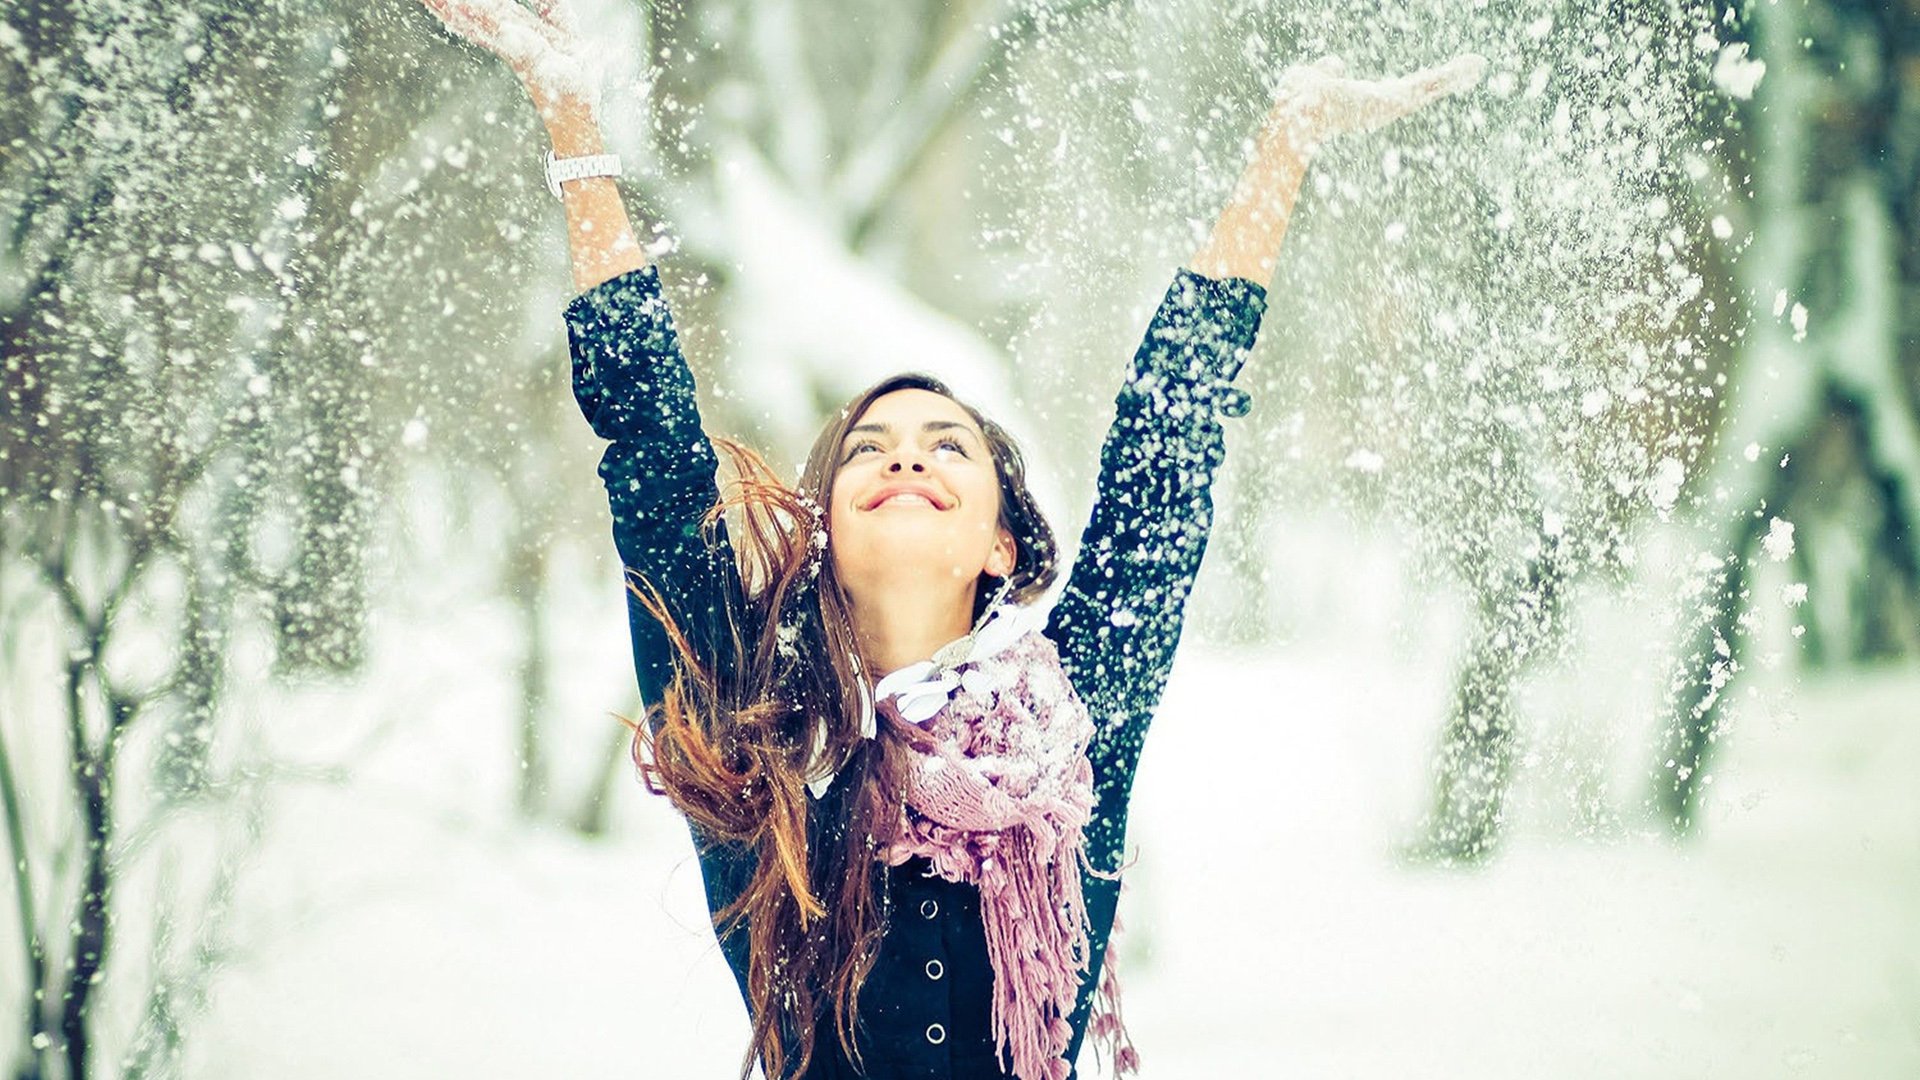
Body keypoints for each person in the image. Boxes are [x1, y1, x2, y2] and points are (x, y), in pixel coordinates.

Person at [418, 3, 1484, 1078]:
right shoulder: (761, 729)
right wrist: (568, 112)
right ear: (826, 524)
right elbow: (650, 451)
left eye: (947, 446)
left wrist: (1282, 149)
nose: (907, 457)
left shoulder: (1076, 720)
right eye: (871, 447)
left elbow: (1170, 441)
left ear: (1001, 547)